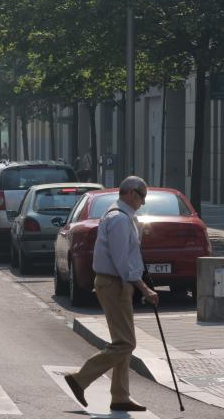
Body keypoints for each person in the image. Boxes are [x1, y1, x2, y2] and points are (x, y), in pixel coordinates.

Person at [63, 176, 158, 412]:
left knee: (122, 342)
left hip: (116, 284)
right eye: (142, 196)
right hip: (113, 284)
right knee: (126, 343)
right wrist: (144, 288)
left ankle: (120, 396)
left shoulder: (122, 216)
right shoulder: (119, 219)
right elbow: (121, 261)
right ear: (131, 194)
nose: (143, 202)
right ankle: (80, 378)